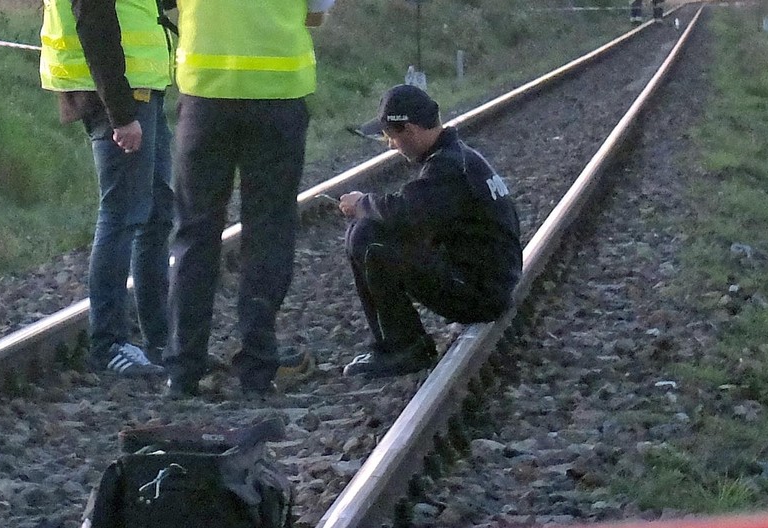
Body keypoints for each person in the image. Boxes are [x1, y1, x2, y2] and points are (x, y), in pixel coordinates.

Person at [164, 0, 334, 395]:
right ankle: (257, 366)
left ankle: (183, 370)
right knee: (269, 230)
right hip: (277, 99)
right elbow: (316, 14)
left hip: (205, 100)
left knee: (194, 232)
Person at [338, 85, 522, 378]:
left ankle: (404, 347)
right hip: (487, 283)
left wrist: (362, 203)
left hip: (481, 295)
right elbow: (415, 213)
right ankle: (399, 342)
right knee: (369, 229)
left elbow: (405, 214)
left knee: (365, 237)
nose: (390, 145)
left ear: (409, 130)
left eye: (391, 136)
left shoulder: (447, 167)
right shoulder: (457, 156)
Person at [40, 0, 178, 377]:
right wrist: (121, 113)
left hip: (140, 88)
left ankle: (161, 341)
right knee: (122, 215)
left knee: (154, 214)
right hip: (120, 95)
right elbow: (95, 24)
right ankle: (109, 344)